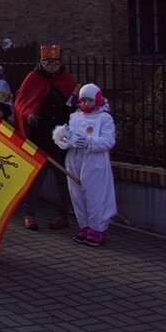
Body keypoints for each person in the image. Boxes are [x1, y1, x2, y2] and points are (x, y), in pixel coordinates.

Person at [13, 44, 78, 231]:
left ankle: (62, 215)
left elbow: (75, 105)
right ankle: (29, 214)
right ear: (41, 62)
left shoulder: (66, 79)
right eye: (48, 62)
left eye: (55, 62)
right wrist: (29, 115)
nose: (52, 65)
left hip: (61, 138)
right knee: (36, 178)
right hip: (40, 137)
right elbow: (21, 103)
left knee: (63, 178)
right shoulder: (33, 78)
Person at [54, 83, 117, 246]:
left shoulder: (104, 118)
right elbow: (69, 139)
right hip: (74, 158)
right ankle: (84, 226)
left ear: (97, 100)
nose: (86, 104)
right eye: (84, 101)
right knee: (77, 195)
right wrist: (64, 138)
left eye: (90, 100)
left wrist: (90, 141)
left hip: (94, 160)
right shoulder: (75, 116)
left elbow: (109, 140)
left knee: (95, 196)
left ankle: (98, 229)